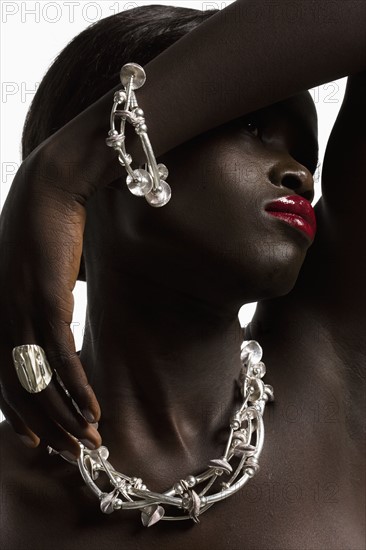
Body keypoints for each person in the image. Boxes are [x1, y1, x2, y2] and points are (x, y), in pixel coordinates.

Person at [0, 2, 365, 549]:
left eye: (304, 152)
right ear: (105, 178)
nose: (299, 173)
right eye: (252, 127)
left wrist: (58, 168)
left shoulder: (334, 363)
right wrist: (83, 155)